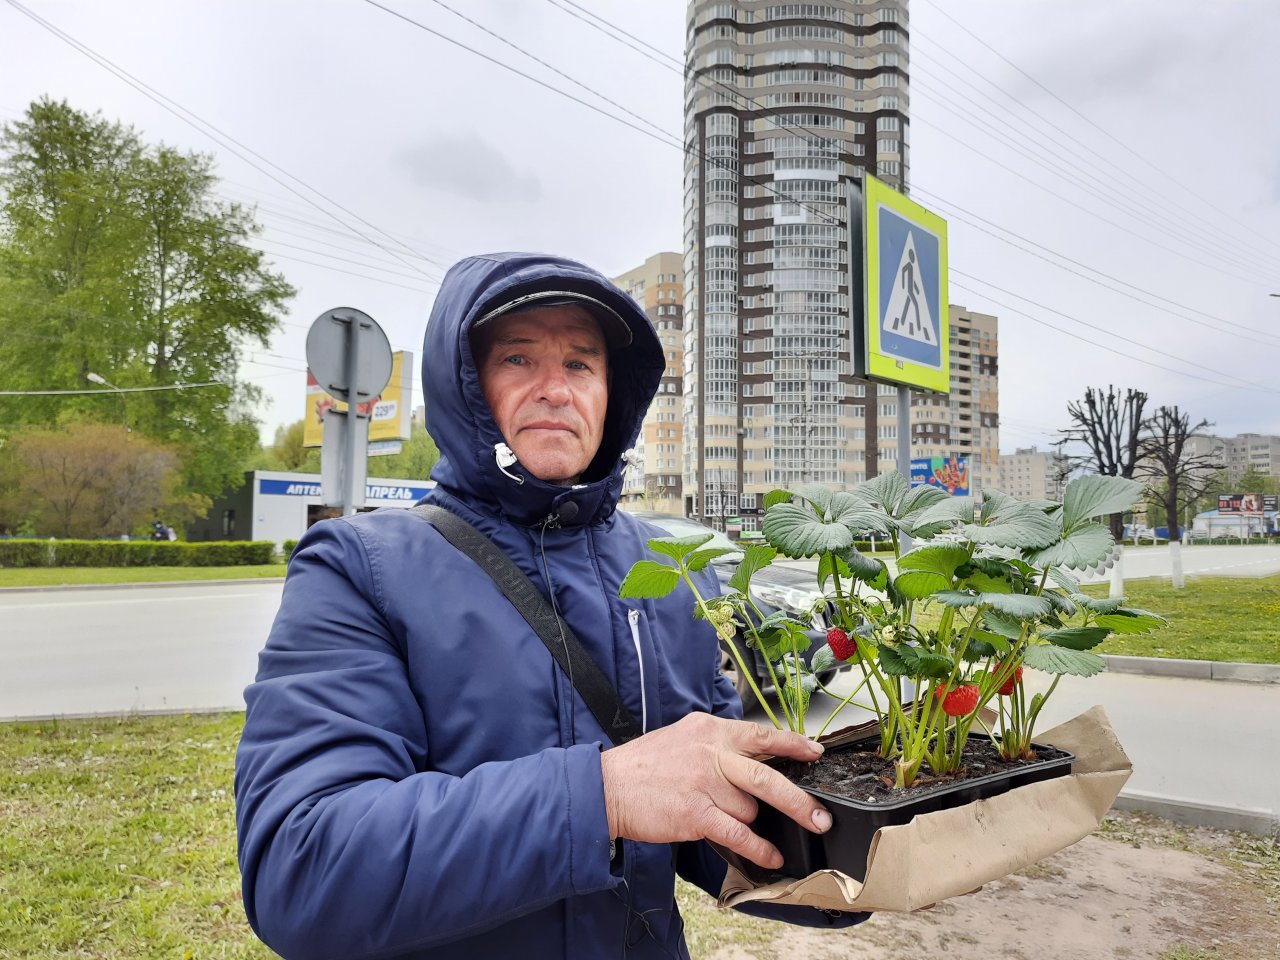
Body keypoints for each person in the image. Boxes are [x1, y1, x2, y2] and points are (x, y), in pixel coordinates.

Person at [235, 253, 865, 959]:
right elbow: (302, 865)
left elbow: (712, 821)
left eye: (580, 364)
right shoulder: (359, 568)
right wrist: (604, 797)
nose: (556, 390)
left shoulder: (668, 571)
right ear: (464, 384)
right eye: (517, 358)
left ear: (612, 393)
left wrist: (854, 856)